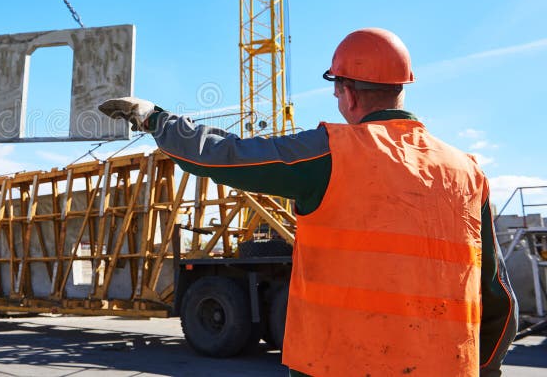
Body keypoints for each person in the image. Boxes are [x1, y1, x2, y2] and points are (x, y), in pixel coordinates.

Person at [99, 28, 517, 376]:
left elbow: (224, 155)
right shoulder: (467, 172)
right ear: (401, 90)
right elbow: (498, 297)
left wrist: (155, 118)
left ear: (348, 94)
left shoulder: (332, 153)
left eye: (337, 93)